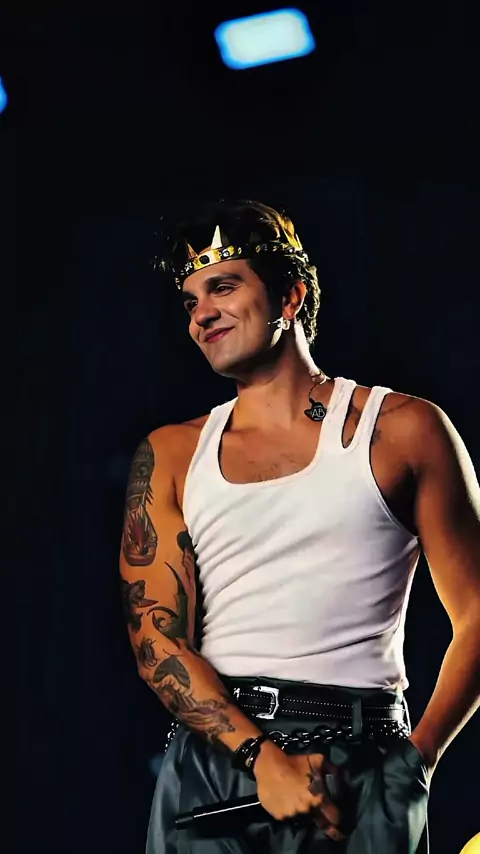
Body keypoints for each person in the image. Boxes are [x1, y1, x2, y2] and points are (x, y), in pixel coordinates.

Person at [119, 200, 480, 853]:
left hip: (365, 762)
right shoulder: (171, 453)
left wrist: (417, 762)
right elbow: (156, 639)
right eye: (191, 301)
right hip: (218, 756)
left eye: (223, 287)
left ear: (290, 295)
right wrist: (262, 759)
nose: (201, 314)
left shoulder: (402, 430)